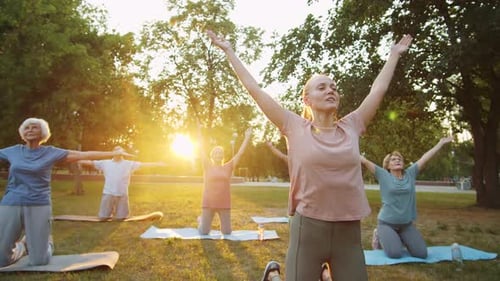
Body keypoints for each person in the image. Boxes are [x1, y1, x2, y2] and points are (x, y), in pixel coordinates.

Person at [207, 29, 412, 281]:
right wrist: (229, 51)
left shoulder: (352, 125)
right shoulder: (293, 126)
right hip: (308, 230)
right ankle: (273, 276)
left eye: (334, 87)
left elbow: (377, 91)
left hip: (348, 234)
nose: (330, 90)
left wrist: (393, 55)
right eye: (322, 87)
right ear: (307, 99)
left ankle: (324, 276)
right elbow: (255, 90)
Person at [0, 117, 135, 267]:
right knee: (1, 259)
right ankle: (22, 246)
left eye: (34, 127)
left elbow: (84, 155)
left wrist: (112, 154)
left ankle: (47, 243)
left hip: (38, 203)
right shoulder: (13, 151)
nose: (30, 130)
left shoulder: (51, 152)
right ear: (22, 133)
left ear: (43, 133)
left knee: (39, 261)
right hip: (11, 202)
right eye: (27, 128)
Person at [360, 136, 453, 259]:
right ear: (388, 166)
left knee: (421, 254)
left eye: (399, 159)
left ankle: (398, 237)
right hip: (387, 223)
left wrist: (440, 143)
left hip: (406, 224)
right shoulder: (383, 175)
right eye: (393, 160)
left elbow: (425, 158)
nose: (397, 160)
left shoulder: (410, 173)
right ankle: (379, 234)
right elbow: (365, 161)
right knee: (395, 254)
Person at [78, 146, 166, 220]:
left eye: (120, 152)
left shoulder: (129, 164)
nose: (118, 154)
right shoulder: (105, 163)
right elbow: (91, 163)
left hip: (122, 194)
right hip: (108, 193)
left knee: (121, 218)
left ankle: (119, 214)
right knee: (103, 218)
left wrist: (157, 163)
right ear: (113, 153)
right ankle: (107, 213)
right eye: (116, 151)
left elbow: (143, 164)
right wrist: (78, 160)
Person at [197, 128, 252, 235]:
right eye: (216, 153)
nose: (218, 154)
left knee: (226, 233)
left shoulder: (229, 166)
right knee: (204, 232)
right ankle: (201, 221)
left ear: (223, 156)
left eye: (220, 153)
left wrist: (247, 138)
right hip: (208, 202)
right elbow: (200, 150)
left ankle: (204, 220)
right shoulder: (207, 165)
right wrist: (199, 134)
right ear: (212, 155)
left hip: (224, 203)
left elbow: (240, 153)